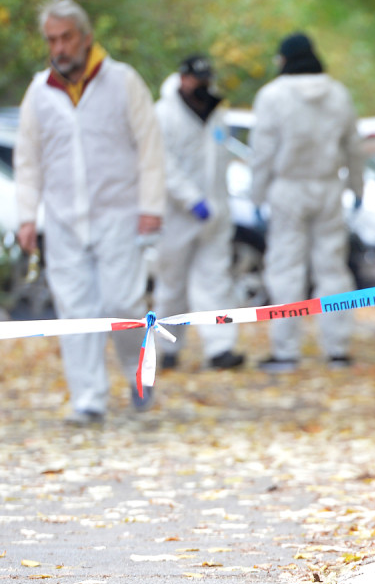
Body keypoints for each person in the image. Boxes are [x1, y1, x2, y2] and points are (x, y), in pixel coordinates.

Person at [14, 0, 165, 425]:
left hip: (119, 211)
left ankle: (139, 376)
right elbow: (27, 158)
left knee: (123, 303)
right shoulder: (40, 92)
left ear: (86, 37)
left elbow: (150, 147)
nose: (59, 48)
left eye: (66, 38)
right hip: (64, 218)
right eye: (52, 40)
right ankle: (88, 398)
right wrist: (27, 215)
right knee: (75, 311)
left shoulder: (123, 81)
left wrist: (151, 206)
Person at [249, 32, 364, 372]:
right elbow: (353, 147)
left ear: (284, 59)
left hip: (288, 188)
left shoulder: (272, 95)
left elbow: (262, 151)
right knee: (332, 269)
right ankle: (337, 349)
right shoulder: (338, 94)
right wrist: (357, 188)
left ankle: (285, 351)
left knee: (285, 269)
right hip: (328, 187)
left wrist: (256, 195)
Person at [152, 54, 245, 371]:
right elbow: (162, 163)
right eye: (196, 79)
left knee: (216, 281)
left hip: (215, 213)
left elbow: (220, 160)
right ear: (183, 78)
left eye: (206, 80)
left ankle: (220, 348)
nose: (202, 86)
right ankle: (167, 348)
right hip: (177, 215)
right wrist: (191, 200)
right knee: (172, 285)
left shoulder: (217, 114)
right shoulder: (163, 114)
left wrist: (218, 203)